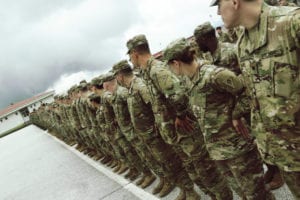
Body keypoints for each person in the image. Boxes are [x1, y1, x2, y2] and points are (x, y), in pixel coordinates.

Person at [164, 37, 274, 200]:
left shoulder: (214, 75)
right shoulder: (189, 80)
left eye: (169, 66)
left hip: (238, 148)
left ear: (176, 63)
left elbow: (248, 92)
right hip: (218, 151)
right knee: (243, 194)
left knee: (258, 195)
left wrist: (237, 114)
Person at [211, 0, 300, 198]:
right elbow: (257, 94)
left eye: (219, 5)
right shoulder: (243, 43)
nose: (218, 12)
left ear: (234, 2)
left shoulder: (291, 22)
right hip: (284, 155)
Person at [126, 34, 232, 200]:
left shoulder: (156, 70)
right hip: (177, 136)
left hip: (187, 134)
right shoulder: (148, 71)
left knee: (208, 173)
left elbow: (178, 94)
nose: (130, 60)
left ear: (134, 53)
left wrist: (180, 115)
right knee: (197, 175)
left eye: (130, 55)